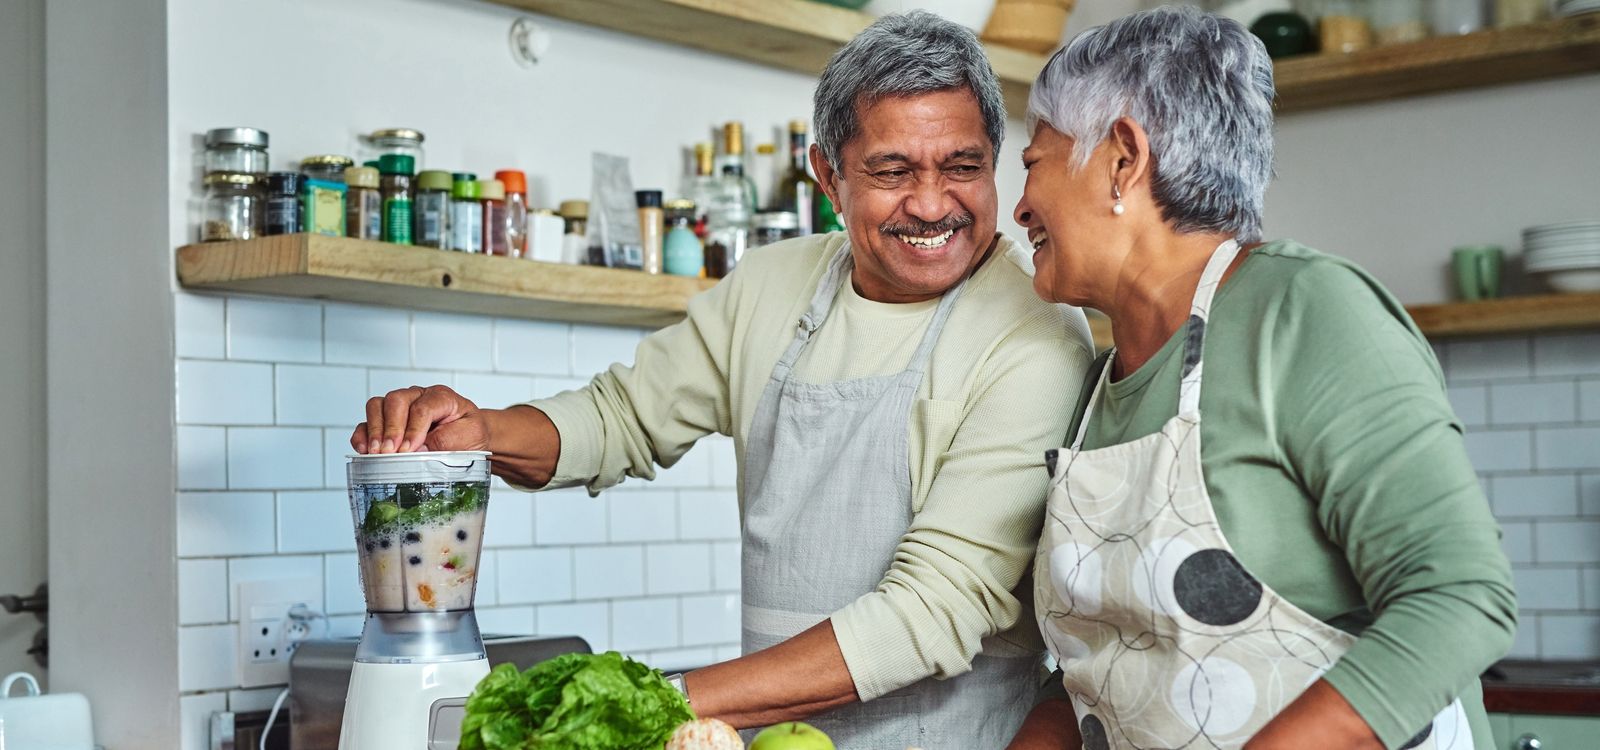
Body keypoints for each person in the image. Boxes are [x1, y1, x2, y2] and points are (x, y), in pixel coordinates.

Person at [354, 11, 1095, 748]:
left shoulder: (1036, 333)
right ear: (829, 177)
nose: (931, 204)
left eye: (962, 167)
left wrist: (651, 704)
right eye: (892, 172)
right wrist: (479, 432)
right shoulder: (773, 285)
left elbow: (932, 608)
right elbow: (621, 418)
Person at [1004, 8, 1516, 750]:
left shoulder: (1306, 310)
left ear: (1122, 159)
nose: (1020, 206)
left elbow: (1461, 596)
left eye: (1033, 163)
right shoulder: (1096, 389)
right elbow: (1107, 670)